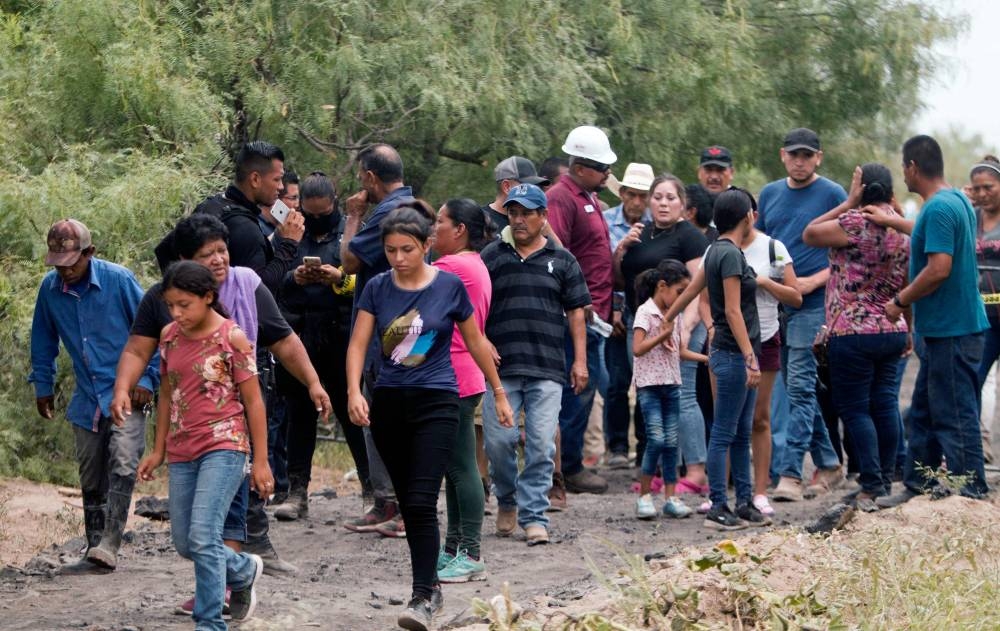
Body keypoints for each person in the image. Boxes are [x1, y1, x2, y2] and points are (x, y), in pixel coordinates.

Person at [112, 214, 330, 583]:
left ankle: (219, 595)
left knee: (227, 513)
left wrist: (313, 382)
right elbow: (138, 352)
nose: (218, 260)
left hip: (235, 425)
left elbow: (284, 340)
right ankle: (238, 577)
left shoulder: (246, 285)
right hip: (187, 433)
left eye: (222, 250)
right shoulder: (164, 299)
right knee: (194, 533)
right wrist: (122, 389)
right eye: (206, 254)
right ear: (183, 259)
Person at [345, 206, 513, 631]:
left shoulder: (450, 286)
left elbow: (476, 342)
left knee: (421, 500)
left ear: (425, 246)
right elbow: (358, 344)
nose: (398, 258)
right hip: (388, 404)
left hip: (438, 399)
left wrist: (498, 392)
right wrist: (351, 392)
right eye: (390, 250)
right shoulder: (378, 289)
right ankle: (431, 588)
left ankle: (422, 595)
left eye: (407, 249)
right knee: (410, 503)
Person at [137, 261, 270, 629]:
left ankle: (210, 622)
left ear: (208, 298)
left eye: (185, 305)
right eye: (171, 306)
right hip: (182, 449)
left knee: (204, 535)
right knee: (185, 542)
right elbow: (167, 393)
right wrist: (158, 448)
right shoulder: (168, 336)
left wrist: (261, 461)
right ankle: (243, 571)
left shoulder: (232, 337)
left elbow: (254, 401)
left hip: (225, 444)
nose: (177, 313)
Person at [29, 219, 157, 573]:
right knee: (90, 470)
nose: (65, 271)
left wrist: (148, 376)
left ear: (89, 253)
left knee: (123, 459)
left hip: (128, 389)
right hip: (88, 396)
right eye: (58, 264)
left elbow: (154, 329)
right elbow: (42, 341)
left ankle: (111, 543)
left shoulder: (119, 280)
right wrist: (43, 385)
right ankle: (93, 544)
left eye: (71, 262)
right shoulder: (49, 290)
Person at [871, 135, 990, 506]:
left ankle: (971, 491)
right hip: (948, 328)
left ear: (912, 167)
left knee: (955, 412)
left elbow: (939, 268)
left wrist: (899, 301)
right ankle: (917, 484)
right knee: (923, 411)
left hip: (951, 329)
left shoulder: (938, 209)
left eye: (903, 168)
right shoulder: (954, 201)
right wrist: (894, 221)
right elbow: (928, 233)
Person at [481, 183, 591, 546]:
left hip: (547, 367)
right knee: (499, 442)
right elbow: (474, 307)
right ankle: (507, 498)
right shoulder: (492, 256)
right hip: (501, 369)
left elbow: (577, 313)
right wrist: (481, 342)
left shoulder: (563, 260)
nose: (520, 219)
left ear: (543, 217)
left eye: (527, 212)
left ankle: (534, 516)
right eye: (514, 212)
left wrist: (580, 361)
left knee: (542, 445)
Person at [803, 164, 910, 511]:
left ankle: (870, 482)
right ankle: (885, 479)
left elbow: (810, 233)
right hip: (892, 328)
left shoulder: (854, 223)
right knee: (884, 404)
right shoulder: (903, 228)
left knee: (855, 408)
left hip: (853, 331)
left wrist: (847, 201)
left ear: (862, 190)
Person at [663, 189, 769, 530]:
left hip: (728, 353)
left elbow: (691, 291)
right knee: (725, 431)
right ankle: (719, 506)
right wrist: (751, 357)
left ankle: (744, 502)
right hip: (735, 354)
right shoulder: (731, 256)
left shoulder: (715, 252)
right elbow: (735, 312)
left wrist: (668, 320)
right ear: (748, 217)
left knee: (738, 432)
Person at [756, 128, 847, 502]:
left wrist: (813, 281)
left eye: (807, 155)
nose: (800, 161)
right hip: (778, 302)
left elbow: (846, 253)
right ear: (783, 155)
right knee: (795, 388)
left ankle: (791, 472)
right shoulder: (771, 194)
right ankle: (828, 462)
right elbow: (762, 245)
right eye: (794, 154)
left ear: (818, 158)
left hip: (814, 303)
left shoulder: (833, 194)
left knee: (801, 385)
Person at [270, 173, 369, 522]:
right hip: (299, 334)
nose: (316, 220)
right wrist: (293, 277)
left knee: (351, 413)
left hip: (343, 334)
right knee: (299, 415)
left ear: (335, 202)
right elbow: (271, 278)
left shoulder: (351, 231)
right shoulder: (291, 231)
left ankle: (371, 492)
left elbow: (371, 282)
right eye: (309, 214)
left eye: (323, 213)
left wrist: (340, 277)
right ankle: (297, 492)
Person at [615, 175, 710, 492]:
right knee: (651, 395)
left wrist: (686, 328)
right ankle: (663, 470)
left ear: (683, 204)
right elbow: (621, 279)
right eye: (658, 197)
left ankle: (695, 471)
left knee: (682, 396)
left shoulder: (690, 237)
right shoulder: (641, 233)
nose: (663, 203)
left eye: (671, 197)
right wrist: (622, 249)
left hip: (678, 323)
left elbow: (698, 289)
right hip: (641, 321)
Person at [340, 143, 416, 534]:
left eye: (361, 178)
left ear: (370, 178)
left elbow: (349, 261)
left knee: (386, 418)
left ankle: (397, 506)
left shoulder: (386, 213)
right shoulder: (416, 206)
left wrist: (353, 215)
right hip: (406, 326)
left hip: (387, 332)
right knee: (383, 416)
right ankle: (390, 503)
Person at [546, 125, 618, 495]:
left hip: (599, 312)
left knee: (587, 389)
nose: (608, 174)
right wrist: (576, 298)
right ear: (580, 167)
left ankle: (568, 463)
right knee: (578, 387)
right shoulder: (562, 198)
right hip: (578, 313)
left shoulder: (587, 196)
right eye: (602, 167)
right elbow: (558, 251)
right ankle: (567, 467)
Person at [430, 198, 494, 583]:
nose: (433, 228)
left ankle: (470, 552)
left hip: (452, 375)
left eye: (439, 221)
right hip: (463, 374)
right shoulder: (476, 265)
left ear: (460, 231)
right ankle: (453, 548)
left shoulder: (450, 267)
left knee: (461, 465)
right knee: (455, 467)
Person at [740, 203, 802, 518]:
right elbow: (705, 295)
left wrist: (766, 283)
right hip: (727, 342)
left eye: (745, 212)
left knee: (759, 418)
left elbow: (795, 295)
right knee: (727, 421)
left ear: (754, 215)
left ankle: (761, 490)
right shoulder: (718, 248)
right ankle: (725, 492)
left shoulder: (774, 249)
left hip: (765, 339)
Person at [631, 260, 705, 520]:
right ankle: (644, 495)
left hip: (672, 385)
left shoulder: (675, 315)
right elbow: (638, 349)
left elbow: (680, 352)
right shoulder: (645, 313)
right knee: (657, 439)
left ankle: (671, 498)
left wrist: (707, 359)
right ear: (662, 286)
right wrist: (663, 335)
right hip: (650, 387)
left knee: (673, 443)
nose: (682, 297)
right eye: (679, 290)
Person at [602, 162, 654, 469]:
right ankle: (617, 446)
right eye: (632, 195)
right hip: (614, 311)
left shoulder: (655, 223)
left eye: (642, 196)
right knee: (617, 380)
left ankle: (646, 446)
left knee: (646, 380)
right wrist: (615, 309)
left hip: (644, 311)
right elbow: (603, 269)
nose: (637, 202)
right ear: (621, 193)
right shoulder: (607, 221)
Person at [969, 155, 1000, 464]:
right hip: (983, 315)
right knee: (975, 379)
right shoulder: (971, 217)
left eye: (988, 187)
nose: (982, 194)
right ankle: (975, 448)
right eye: (976, 188)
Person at [482, 156, 549, 232]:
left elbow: (556, 244)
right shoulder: (481, 221)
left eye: (535, 186)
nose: (531, 189)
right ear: (506, 187)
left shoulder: (535, 218)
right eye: (525, 186)